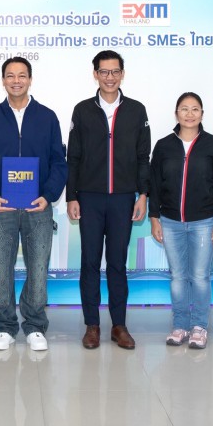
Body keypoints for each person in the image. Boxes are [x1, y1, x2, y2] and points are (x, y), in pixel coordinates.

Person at [0, 57, 67, 352]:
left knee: (38, 269)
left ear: (30, 79)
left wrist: (48, 195)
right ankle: (5, 326)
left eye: (22, 75)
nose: (16, 81)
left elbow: (59, 161)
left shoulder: (47, 117)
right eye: (10, 76)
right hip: (1, 208)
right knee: (1, 269)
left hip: (38, 207)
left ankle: (35, 325)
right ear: (3, 80)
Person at [66, 50, 150, 350]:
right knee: (89, 262)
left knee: (117, 263)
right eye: (104, 71)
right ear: (95, 74)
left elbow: (143, 157)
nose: (110, 77)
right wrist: (71, 196)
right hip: (89, 198)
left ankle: (119, 325)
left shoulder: (136, 110)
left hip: (123, 199)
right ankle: (92, 325)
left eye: (115, 71)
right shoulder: (82, 110)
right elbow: (73, 157)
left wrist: (143, 195)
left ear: (122, 74)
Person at [149, 92, 213, 350]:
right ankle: (180, 325)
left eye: (195, 109)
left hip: (204, 221)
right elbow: (154, 184)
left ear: (202, 114)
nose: (190, 114)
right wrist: (154, 217)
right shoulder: (163, 146)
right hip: (170, 221)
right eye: (184, 109)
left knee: (200, 276)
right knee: (177, 277)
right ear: (176, 114)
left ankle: (199, 326)